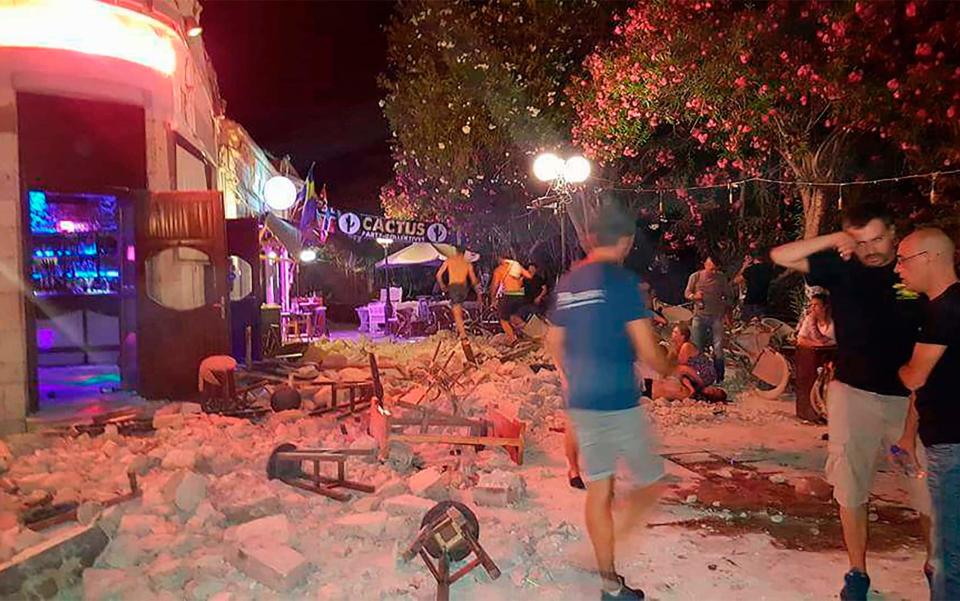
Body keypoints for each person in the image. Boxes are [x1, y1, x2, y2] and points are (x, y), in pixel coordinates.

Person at [770, 202, 931, 601]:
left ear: (893, 233)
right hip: (851, 392)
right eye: (861, 241)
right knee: (850, 485)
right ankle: (857, 573)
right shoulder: (842, 266)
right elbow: (780, 255)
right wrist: (833, 239)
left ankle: (936, 565)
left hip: (908, 399)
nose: (871, 249)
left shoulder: (912, 269)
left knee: (927, 488)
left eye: (877, 238)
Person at [545, 203, 673, 601]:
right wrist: (672, 366)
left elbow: (552, 341)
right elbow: (649, 352)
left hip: (582, 399)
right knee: (650, 484)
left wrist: (571, 378)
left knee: (599, 489)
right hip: (618, 401)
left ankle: (608, 582)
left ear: (592, 238)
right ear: (627, 240)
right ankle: (603, 549)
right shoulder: (622, 282)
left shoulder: (569, 282)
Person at [895, 228, 960, 601]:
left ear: (932, 257)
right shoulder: (940, 307)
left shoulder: (946, 311)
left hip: (952, 446)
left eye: (904, 259)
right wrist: (907, 435)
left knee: (948, 553)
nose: (898, 268)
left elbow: (914, 376)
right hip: (946, 440)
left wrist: (896, 365)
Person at [685, 256, 732, 382]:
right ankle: (698, 377)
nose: (714, 272)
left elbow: (729, 296)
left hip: (716, 316)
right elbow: (687, 293)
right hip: (700, 316)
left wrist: (725, 308)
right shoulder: (695, 277)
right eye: (711, 269)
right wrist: (694, 296)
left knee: (718, 348)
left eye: (715, 269)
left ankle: (719, 378)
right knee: (697, 347)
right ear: (705, 265)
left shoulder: (721, 278)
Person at [435, 247, 479, 341]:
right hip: (464, 288)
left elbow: (438, 275)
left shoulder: (450, 260)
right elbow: (473, 280)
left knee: (457, 313)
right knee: (458, 310)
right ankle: (459, 331)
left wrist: (443, 286)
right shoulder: (467, 263)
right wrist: (479, 294)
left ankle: (463, 335)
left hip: (454, 287)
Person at [491, 255, 531, 344]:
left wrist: (492, 297)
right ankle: (532, 333)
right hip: (519, 295)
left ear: (501, 259)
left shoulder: (499, 269)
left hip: (509, 295)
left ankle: (513, 340)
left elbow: (495, 285)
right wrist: (520, 279)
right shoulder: (516, 266)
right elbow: (529, 275)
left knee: (503, 319)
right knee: (513, 317)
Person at [735, 252, 777, 321]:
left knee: (746, 324)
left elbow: (736, 280)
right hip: (762, 302)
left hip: (750, 302)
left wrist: (744, 267)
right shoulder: (769, 269)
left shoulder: (751, 270)